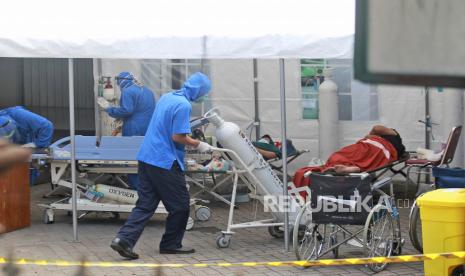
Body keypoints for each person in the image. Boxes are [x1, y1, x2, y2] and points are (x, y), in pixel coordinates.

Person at [110, 72, 212, 259]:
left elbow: (166, 125)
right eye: (205, 93)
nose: (204, 96)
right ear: (199, 91)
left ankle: (123, 240)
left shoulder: (168, 96)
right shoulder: (183, 105)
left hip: (147, 157)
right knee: (180, 205)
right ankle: (171, 244)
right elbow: (177, 137)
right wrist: (199, 144)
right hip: (164, 161)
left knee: (145, 205)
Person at [294, 125, 405, 188]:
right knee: (365, 160)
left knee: (343, 155)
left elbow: (377, 128)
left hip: (370, 146)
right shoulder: (395, 149)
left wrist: (369, 135)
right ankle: (353, 168)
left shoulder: (395, 135)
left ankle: (346, 167)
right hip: (378, 153)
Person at [97, 72, 156, 190]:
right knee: (145, 158)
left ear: (121, 81)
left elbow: (127, 110)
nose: (118, 86)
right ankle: (148, 187)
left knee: (131, 158)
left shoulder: (128, 91)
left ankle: (137, 188)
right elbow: (142, 109)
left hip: (133, 127)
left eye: (118, 83)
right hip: (149, 127)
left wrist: (109, 109)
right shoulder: (147, 91)